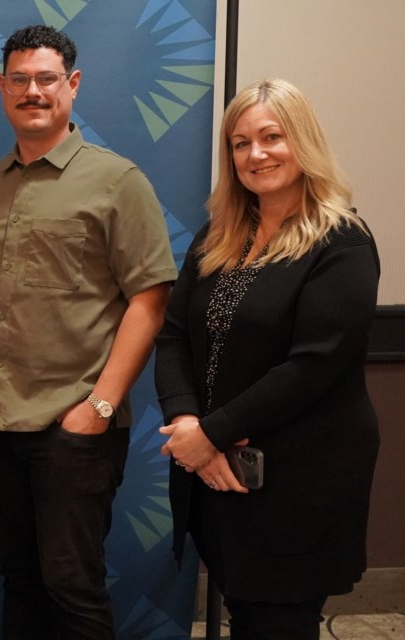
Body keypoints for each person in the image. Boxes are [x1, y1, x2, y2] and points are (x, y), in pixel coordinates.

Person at [0, 24, 177, 639]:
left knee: (72, 585)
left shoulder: (117, 180)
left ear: (71, 85)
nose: (33, 91)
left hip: (71, 428)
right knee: (19, 580)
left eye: (46, 79)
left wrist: (99, 407)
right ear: (1, 88)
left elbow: (150, 299)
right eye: (18, 80)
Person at [155, 78, 380, 640]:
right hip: (219, 473)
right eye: (240, 143)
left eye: (272, 137)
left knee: (278, 621)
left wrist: (209, 434)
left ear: (302, 142)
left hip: (299, 479)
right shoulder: (220, 235)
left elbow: (313, 366)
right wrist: (188, 423)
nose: (256, 155)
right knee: (247, 613)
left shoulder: (342, 241)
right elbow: (174, 336)